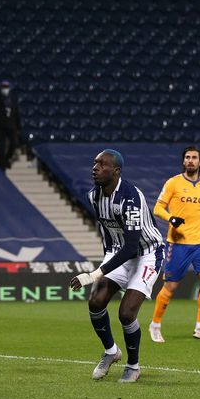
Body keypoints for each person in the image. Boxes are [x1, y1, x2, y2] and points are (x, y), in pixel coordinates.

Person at [70, 149, 164, 383]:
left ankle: (133, 366)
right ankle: (111, 352)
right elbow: (107, 232)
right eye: (95, 163)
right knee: (96, 301)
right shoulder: (94, 196)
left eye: (102, 165)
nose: (95, 168)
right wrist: (105, 264)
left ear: (116, 171)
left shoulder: (130, 197)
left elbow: (132, 245)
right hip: (117, 251)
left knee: (126, 313)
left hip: (146, 254)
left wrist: (95, 273)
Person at [149, 146, 200, 343]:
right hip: (178, 244)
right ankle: (155, 325)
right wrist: (171, 218)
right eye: (187, 157)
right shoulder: (173, 183)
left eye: (194, 158)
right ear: (183, 161)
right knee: (170, 286)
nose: (190, 160)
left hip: (199, 245)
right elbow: (157, 208)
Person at [0, 80, 21, 171]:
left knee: (14, 144)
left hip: (11, 125)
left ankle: (6, 159)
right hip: (0, 126)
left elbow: (16, 113)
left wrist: (18, 126)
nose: (5, 89)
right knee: (1, 148)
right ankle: (2, 168)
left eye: (6, 87)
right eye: (3, 87)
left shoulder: (13, 99)